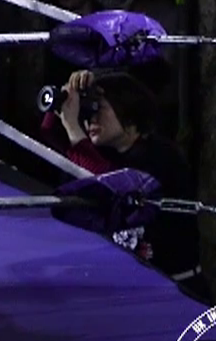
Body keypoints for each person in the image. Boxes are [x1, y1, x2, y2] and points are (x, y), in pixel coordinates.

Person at [57, 69, 202, 291]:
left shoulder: (161, 157)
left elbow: (114, 185)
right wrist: (66, 98)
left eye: (99, 108)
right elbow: (50, 142)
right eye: (88, 110)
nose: (91, 118)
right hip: (129, 284)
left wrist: (74, 130)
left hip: (172, 288)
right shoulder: (108, 155)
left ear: (129, 110)